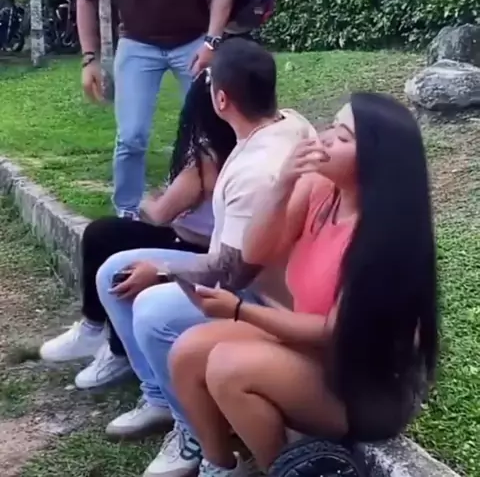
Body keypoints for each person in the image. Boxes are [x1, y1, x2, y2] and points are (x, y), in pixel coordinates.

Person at [168, 93, 439, 477]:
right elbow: (255, 250)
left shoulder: (384, 239)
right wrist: (283, 183)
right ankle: (222, 466)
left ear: (375, 162)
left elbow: (333, 332)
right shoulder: (321, 190)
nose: (324, 138)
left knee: (229, 368)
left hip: (362, 387)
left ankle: (291, 470)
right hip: (313, 352)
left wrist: (240, 310)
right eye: (332, 126)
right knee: (188, 352)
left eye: (343, 138)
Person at [94, 38, 316, 476]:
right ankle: (160, 397)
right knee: (112, 272)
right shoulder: (288, 121)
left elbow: (232, 273)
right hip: (241, 277)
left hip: (261, 299)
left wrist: (161, 270)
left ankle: (193, 429)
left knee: (151, 310)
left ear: (221, 99)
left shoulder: (257, 170)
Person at [39, 71, 237, 389]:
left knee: (112, 248)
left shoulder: (207, 157)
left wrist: (149, 200)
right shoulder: (235, 146)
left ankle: (118, 351)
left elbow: (159, 214)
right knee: (104, 234)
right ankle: (94, 328)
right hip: (198, 242)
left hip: (197, 249)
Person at [75, 0, 233, 217]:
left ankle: (215, 209)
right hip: (137, 43)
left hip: (193, 41)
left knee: (212, 129)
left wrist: (212, 41)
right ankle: (127, 213)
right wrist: (89, 58)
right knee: (131, 135)